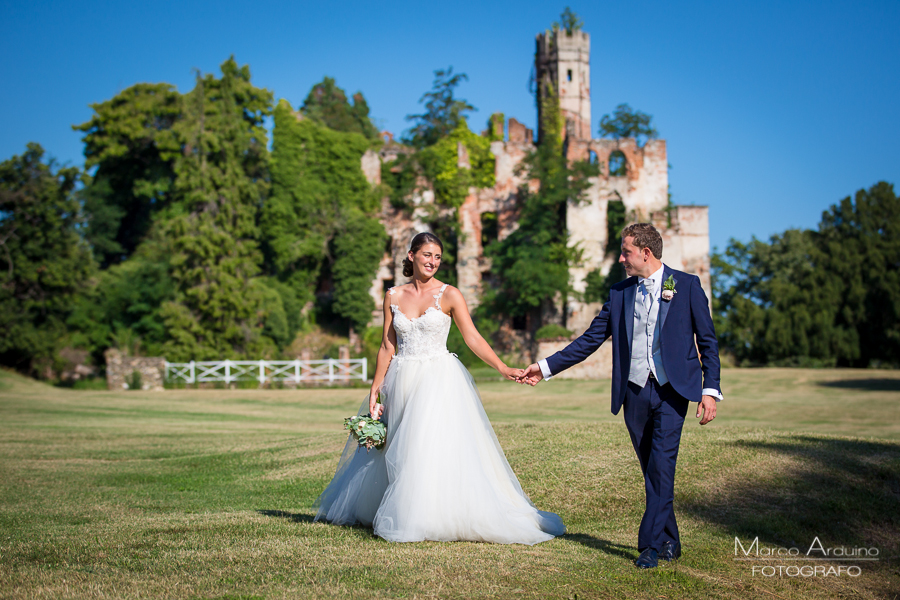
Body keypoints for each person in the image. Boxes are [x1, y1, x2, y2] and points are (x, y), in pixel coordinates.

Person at [314, 232, 565, 544]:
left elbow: (472, 337)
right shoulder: (392, 295)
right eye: (426, 255)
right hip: (401, 377)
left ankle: (426, 516)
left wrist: (503, 367)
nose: (432, 262)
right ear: (411, 256)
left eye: (437, 257)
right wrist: (376, 387)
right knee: (398, 448)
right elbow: (386, 345)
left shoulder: (449, 295)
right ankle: (394, 507)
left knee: (426, 445)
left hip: (438, 379)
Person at [518, 223, 722, 568]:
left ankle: (650, 547)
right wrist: (546, 367)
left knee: (662, 465)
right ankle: (672, 541)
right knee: (652, 469)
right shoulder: (619, 293)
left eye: (625, 251)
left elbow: (708, 342)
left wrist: (710, 390)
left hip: (674, 392)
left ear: (646, 253)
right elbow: (589, 340)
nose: (620, 258)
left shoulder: (686, 285)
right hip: (634, 392)